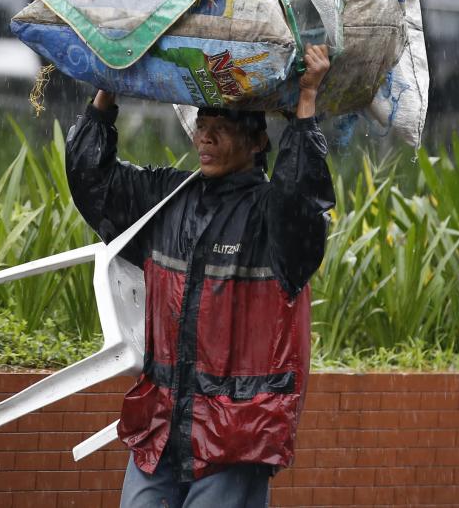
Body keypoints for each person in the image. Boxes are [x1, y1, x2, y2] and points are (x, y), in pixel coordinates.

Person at [65, 44, 336, 507]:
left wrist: (304, 104)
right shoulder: (167, 200)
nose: (204, 139)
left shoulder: (273, 219)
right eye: (202, 127)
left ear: (257, 142)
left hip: (235, 438)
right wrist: (107, 90)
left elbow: (302, 199)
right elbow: (93, 180)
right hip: (160, 429)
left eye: (222, 129)